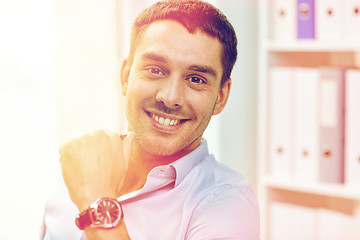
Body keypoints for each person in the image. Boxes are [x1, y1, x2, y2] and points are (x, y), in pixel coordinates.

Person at [42, 0, 260, 239]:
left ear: (221, 96)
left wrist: (98, 202)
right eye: (155, 70)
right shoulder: (81, 162)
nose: (170, 97)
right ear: (126, 76)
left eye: (196, 79)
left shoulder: (229, 203)